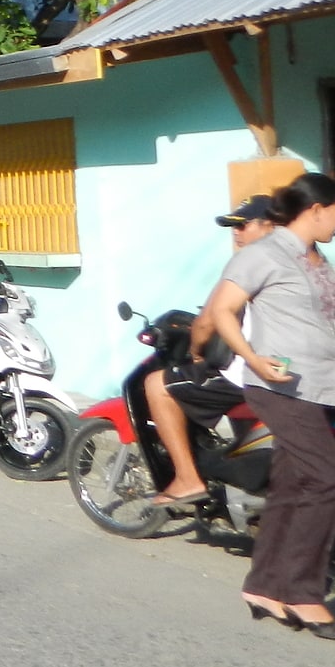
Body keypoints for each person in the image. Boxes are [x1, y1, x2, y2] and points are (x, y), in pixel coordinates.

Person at [199, 172, 335, 636]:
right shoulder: (265, 253)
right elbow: (222, 310)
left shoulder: (316, 258)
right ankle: (302, 592)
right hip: (279, 387)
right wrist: (254, 359)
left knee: (294, 485)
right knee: (326, 479)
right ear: (316, 210)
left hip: (320, 386)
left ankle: (264, 585)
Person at [144, 196, 277, 505]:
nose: (236, 233)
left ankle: (188, 479)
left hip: (252, 373)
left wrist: (196, 351)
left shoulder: (250, 262)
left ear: (268, 225)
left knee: (158, 385)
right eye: (233, 226)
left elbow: (206, 322)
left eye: (242, 225)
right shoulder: (303, 260)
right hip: (294, 368)